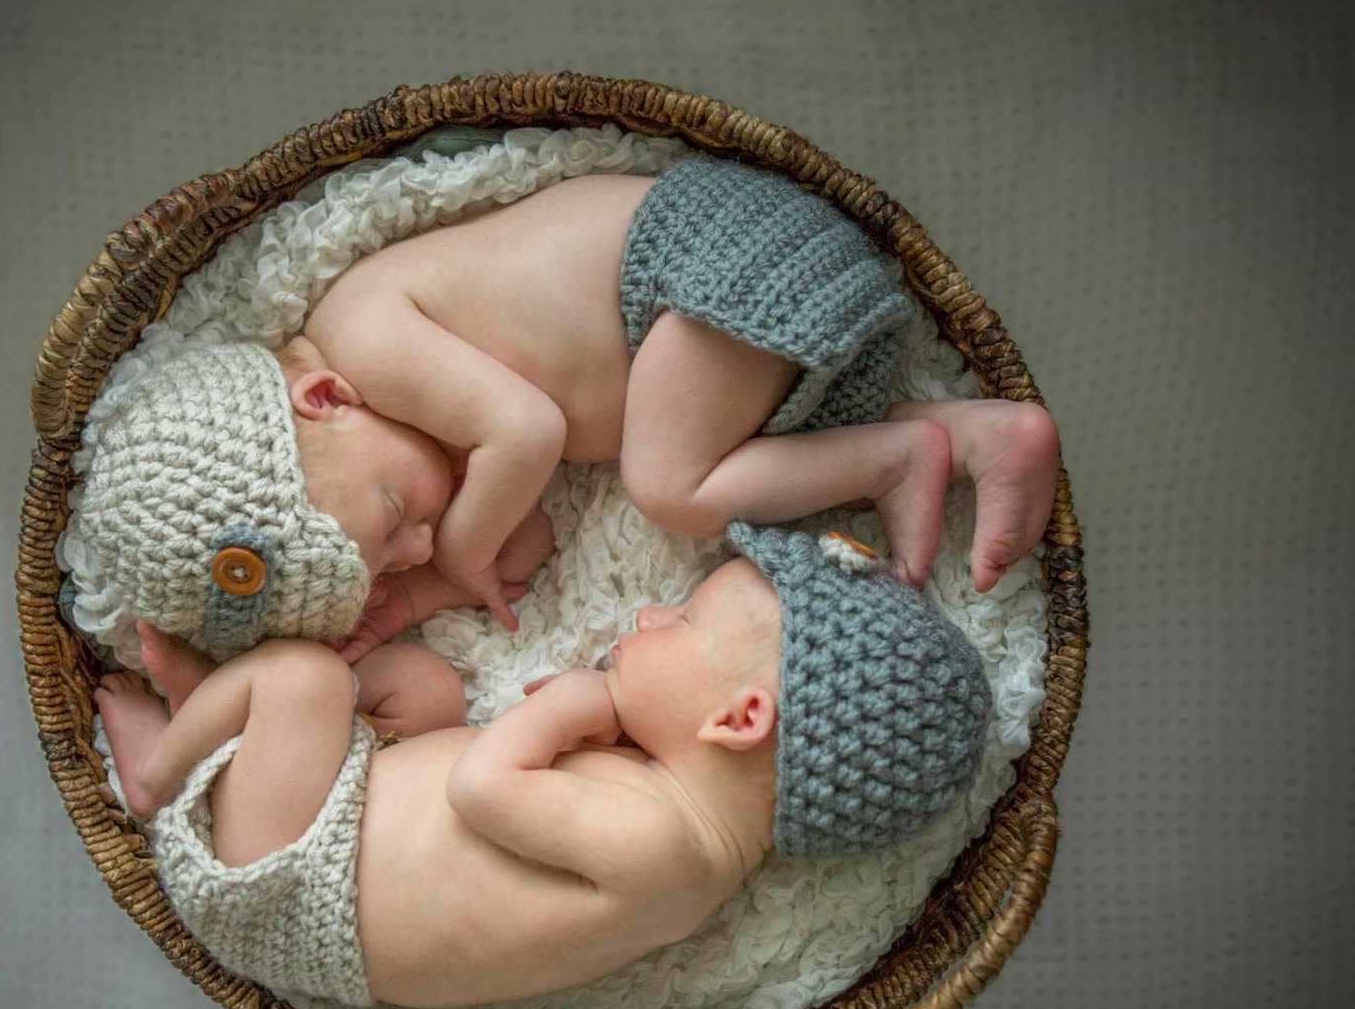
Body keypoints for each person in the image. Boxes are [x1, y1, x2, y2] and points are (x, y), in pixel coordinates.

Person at [72, 156, 1060, 668]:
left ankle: (894, 460)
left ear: (321, 401)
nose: (417, 542)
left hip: (707, 265)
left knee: (668, 490)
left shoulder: (362, 335)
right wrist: (425, 593)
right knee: (699, 468)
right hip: (726, 337)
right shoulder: (401, 434)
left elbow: (530, 436)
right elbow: (531, 529)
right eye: (395, 555)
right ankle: (977, 438)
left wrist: (455, 546)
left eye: (390, 523)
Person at [93, 526, 992, 1009]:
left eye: (678, 623)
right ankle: (228, 721)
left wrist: (572, 707)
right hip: (343, 814)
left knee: (306, 679)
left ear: (740, 719)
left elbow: (482, 790)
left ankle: (165, 768)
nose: (644, 619)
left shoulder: (665, 845)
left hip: (287, 888)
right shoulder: (673, 827)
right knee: (424, 686)